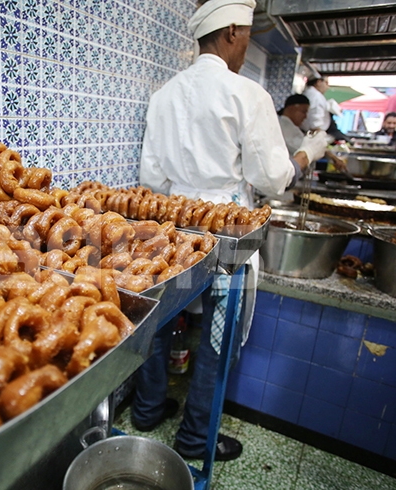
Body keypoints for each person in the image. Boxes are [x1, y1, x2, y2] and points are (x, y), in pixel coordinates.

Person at [135, 0, 327, 462]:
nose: (245, 47)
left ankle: (146, 409)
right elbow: (272, 178)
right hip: (227, 233)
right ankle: (195, 438)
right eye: (246, 38)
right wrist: (309, 154)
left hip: (175, 227)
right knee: (218, 336)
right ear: (233, 33)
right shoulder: (246, 94)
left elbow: (152, 179)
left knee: (160, 321)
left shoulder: (164, 95)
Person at [279, 94, 347, 171]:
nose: (305, 117)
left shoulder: (292, 127)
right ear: (291, 109)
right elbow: (306, 147)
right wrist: (332, 157)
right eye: (303, 112)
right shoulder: (284, 127)